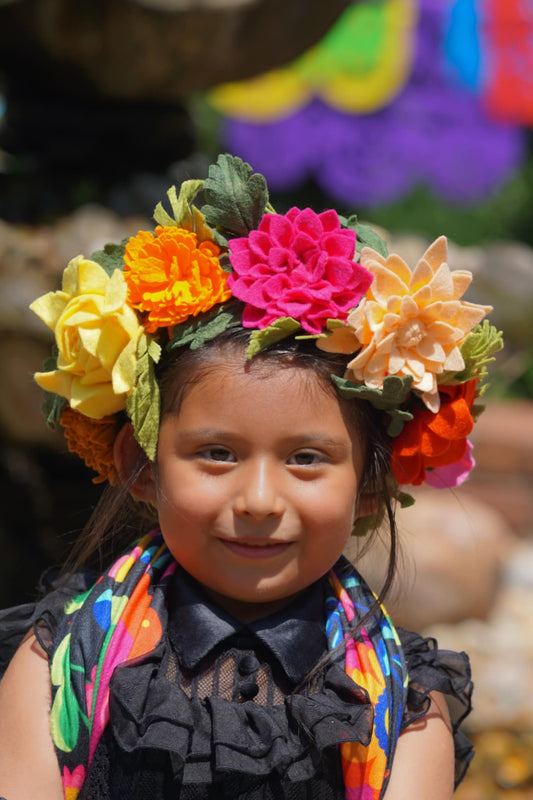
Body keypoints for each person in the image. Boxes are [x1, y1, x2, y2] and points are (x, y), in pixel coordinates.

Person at [0, 154, 501, 799]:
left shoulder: (403, 711)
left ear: (371, 487)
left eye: (306, 459)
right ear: (140, 466)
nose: (260, 500)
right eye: (217, 454)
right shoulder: (60, 667)